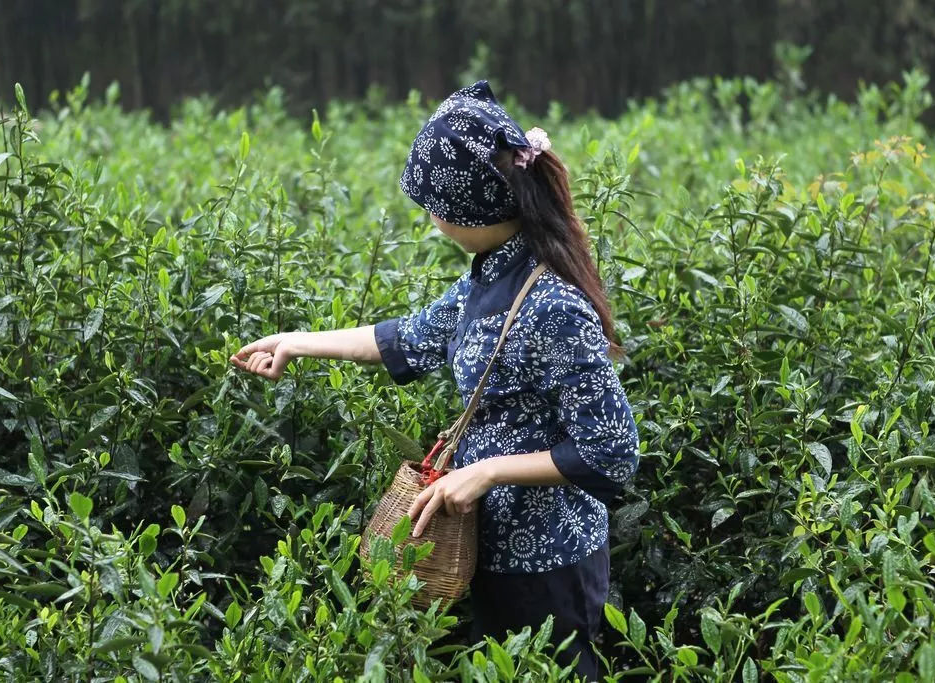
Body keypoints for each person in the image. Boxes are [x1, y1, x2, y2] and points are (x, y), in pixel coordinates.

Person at [230, 80, 640, 681]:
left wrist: (489, 470)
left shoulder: (551, 302)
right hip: (488, 543)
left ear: (474, 210)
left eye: (437, 210)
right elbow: (409, 336)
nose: (431, 222)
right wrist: (296, 344)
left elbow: (612, 448)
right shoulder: (492, 273)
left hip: (549, 558)